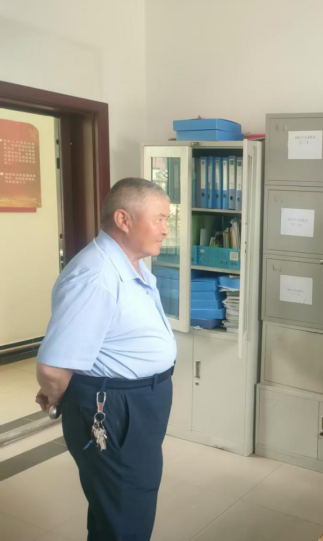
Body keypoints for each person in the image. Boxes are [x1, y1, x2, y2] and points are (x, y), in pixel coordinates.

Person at [35, 177, 177, 541]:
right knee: (125, 511)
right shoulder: (96, 275)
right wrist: (57, 396)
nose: (166, 229)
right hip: (113, 406)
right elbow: (53, 368)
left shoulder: (131, 264)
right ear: (123, 219)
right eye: (160, 219)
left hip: (139, 401)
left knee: (122, 502)